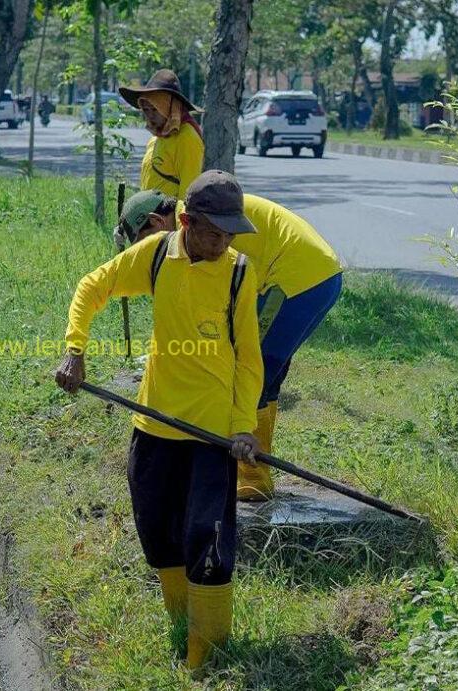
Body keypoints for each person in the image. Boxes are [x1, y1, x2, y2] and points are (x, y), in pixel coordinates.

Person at [56, 170, 263, 668]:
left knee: (206, 536)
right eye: (214, 231)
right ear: (186, 222)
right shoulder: (154, 256)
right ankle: (182, 625)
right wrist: (74, 349)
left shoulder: (238, 271)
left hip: (212, 433)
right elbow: (93, 286)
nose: (223, 241)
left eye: (231, 232)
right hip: (154, 425)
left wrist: (241, 426)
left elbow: (249, 356)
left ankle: (205, 655)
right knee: (157, 530)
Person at [123, 187, 343, 501]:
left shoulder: (199, 223)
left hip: (297, 279)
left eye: (143, 242)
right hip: (318, 277)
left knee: (250, 374)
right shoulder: (198, 217)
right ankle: (253, 477)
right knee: (267, 376)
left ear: (158, 222)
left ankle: (251, 480)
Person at [119, 69, 204, 199]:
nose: (150, 115)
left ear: (169, 108)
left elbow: (188, 193)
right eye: (146, 109)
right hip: (150, 217)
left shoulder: (187, 138)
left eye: (155, 109)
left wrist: (180, 219)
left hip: (170, 217)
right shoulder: (156, 138)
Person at [112, 189, 177, 248]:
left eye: (146, 244)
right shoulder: (181, 230)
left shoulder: (185, 241)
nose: (146, 250)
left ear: (156, 220)